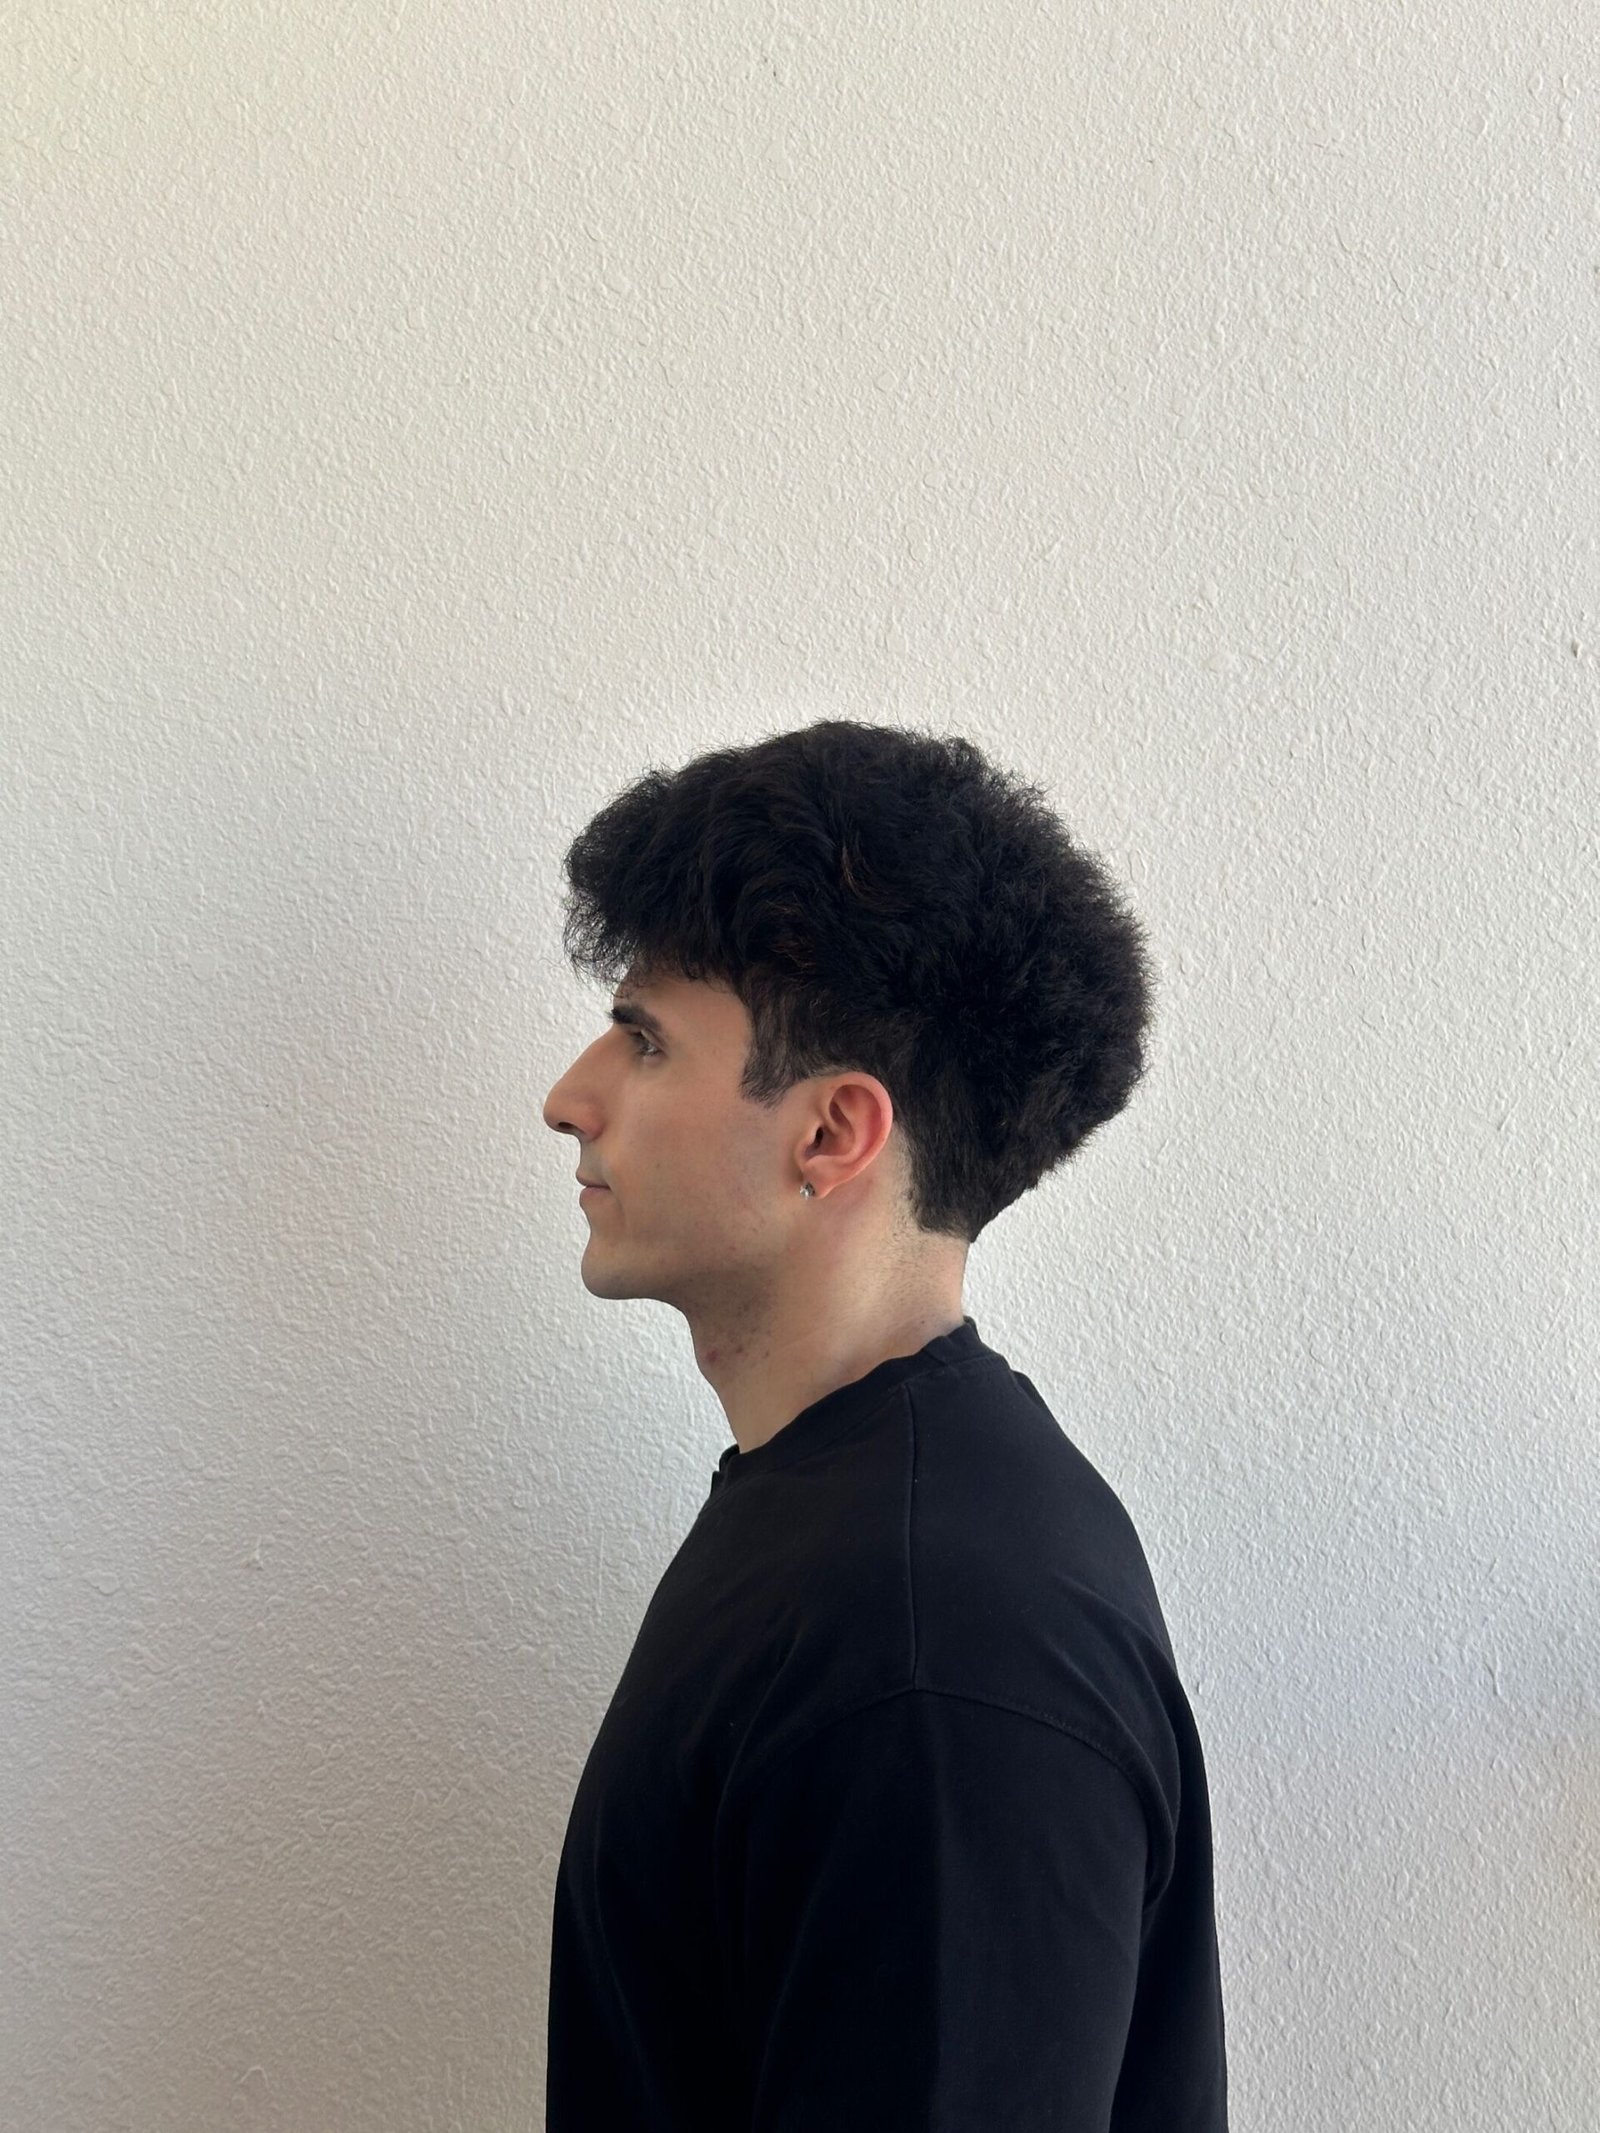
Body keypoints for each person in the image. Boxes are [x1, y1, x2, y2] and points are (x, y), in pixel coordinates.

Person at [541, 718, 1228, 2130]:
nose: (570, 1099)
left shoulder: (933, 1648)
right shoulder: (853, 1527)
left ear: (831, 1134)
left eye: (646, 1039)